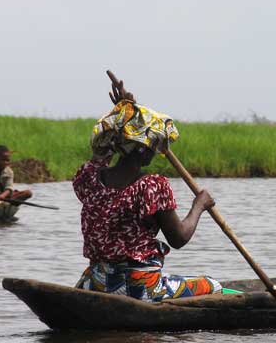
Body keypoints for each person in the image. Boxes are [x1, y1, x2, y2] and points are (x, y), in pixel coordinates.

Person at [73, 74, 222, 301]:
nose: (155, 152)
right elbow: (178, 238)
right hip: (139, 288)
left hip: (94, 283)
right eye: (152, 146)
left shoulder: (89, 178)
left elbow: (101, 153)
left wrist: (128, 112)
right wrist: (199, 205)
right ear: (142, 150)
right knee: (212, 285)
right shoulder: (151, 186)